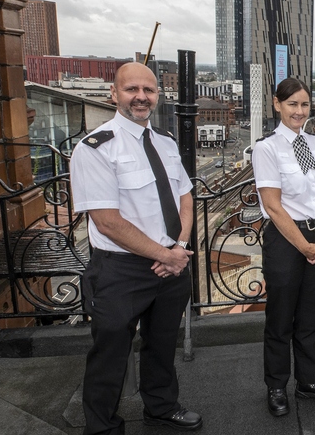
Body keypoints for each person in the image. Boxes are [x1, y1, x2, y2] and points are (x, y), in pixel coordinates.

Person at [70, 62, 202, 433]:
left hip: (171, 264)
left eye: (148, 90)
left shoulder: (165, 142)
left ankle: (161, 407)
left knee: (161, 345)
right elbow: (107, 221)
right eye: (131, 89)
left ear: (157, 95)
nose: (141, 97)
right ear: (114, 94)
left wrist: (179, 247)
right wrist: (166, 255)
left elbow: (186, 198)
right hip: (122, 269)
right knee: (109, 353)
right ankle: (102, 426)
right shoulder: (95, 148)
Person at [252, 78, 315, 416]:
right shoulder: (267, 148)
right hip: (286, 239)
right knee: (280, 317)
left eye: (304, 105)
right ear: (277, 104)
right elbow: (273, 206)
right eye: (292, 104)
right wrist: (304, 245)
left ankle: (309, 382)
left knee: (311, 314)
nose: (299, 111)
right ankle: (276, 386)